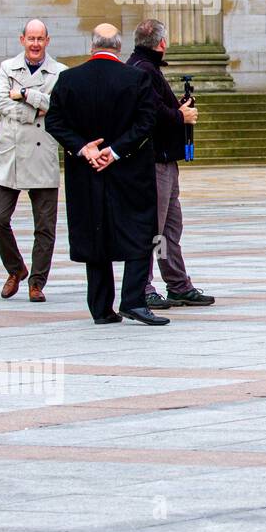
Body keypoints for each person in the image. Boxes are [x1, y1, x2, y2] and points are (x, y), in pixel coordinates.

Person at [45, 24, 168, 325]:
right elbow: (146, 122)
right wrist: (113, 152)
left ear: (92, 46)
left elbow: (54, 121)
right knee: (140, 232)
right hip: (129, 171)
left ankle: (101, 308)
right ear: (118, 46)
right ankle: (133, 301)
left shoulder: (68, 78)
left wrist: (83, 148)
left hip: (85, 172)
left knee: (95, 232)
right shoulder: (136, 78)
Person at [126, 19, 216, 310]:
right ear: (162, 43)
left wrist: (177, 109)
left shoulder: (144, 67)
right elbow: (149, 112)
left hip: (165, 158)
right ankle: (144, 286)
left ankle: (178, 284)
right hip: (153, 160)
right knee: (153, 227)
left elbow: (155, 107)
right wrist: (181, 117)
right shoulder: (143, 69)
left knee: (170, 228)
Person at [0, 19, 66, 302]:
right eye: (30, 38)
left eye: (40, 39)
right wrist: (35, 107)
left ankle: (37, 282)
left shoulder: (60, 72)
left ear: (47, 40)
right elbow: (0, 104)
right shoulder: (8, 67)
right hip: (9, 153)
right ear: (22, 40)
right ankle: (16, 269)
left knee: (44, 226)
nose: (35, 44)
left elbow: (57, 106)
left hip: (42, 152)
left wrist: (24, 94)